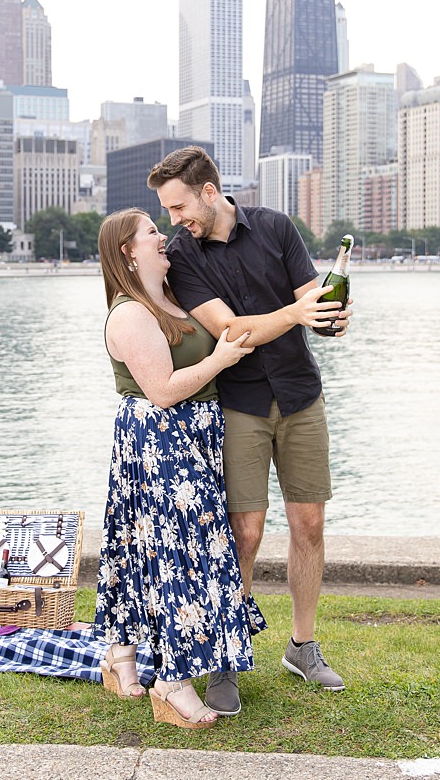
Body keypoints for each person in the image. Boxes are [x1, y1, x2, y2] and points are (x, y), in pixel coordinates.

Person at [148, 145, 352, 714]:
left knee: (308, 523)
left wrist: (331, 319)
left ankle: (302, 647)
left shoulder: (277, 228)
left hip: (300, 394)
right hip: (238, 404)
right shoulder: (183, 256)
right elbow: (231, 332)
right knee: (245, 531)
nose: (175, 219)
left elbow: (313, 302)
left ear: (209, 193)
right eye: (168, 209)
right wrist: (297, 314)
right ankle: (224, 657)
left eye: (179, 205)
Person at [93, 207, 264, 730]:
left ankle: (120, 659)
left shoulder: (165, 298)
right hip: (162, 441)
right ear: (129, 250)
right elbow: (163, 391)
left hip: (191, 437)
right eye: (151, 232)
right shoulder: (129, 314)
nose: (162, 236)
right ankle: (172, 683)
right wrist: (220, 361)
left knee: (140, 545)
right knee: (181, 555)